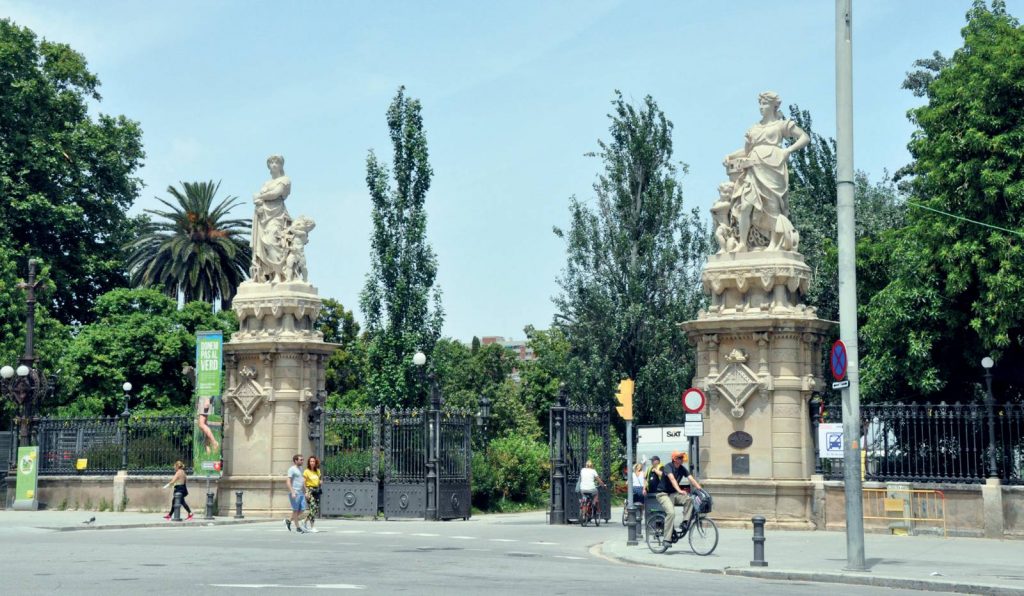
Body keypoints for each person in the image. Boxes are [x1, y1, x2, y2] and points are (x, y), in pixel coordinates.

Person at [723, 91, 809, 252]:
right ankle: (742, 243)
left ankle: (773, 244)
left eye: (765, 104)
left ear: (774, 105)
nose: (761, 107)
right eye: (760, 104)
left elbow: (804, 138)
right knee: (745, 205)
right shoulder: (754, 128)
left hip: (773, 166)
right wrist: (730, 156)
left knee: (772, 207)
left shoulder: (781, 124)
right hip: (753, 167)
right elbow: (746, 150)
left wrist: (788, 150)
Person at [251, 154, 293, 283]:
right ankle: (265, 274)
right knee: (262, 244)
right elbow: (259, 197)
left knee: (271, 240)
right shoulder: (267, 183)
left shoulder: (285, 180)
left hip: (277, 213)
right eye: (272, 162)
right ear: (268, 165)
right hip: (263, 214)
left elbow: (275, 193)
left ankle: (279, 274)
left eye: (277, 162)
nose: (274, 164)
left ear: (281, 165)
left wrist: (260, 196)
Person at [655, 450, 703, 542]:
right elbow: (672, 479)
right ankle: (666, 539)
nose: (682, 459)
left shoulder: (682, 468)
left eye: (682, 458)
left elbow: (691, 479)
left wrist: (701, 490)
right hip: (663, 494)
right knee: (671, 513)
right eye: (680, 458)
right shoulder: (668, 467)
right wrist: (679, 490)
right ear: (674, 459)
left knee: (690, 499)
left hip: (673, 494)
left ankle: (685, 522)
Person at [285, 454, 307, 533]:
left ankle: (289, 520)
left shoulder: (301, 468)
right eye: (300, 460)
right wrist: (292, 492)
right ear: (295, 461)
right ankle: (298, 527)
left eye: (302, 459)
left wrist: (305, 491)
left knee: (303, 509)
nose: (302, 461)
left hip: (301, 492)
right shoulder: (291, 469)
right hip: (295, 493)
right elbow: (288, 482)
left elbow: (302, 481)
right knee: (295, 510)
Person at [303, 455, 323, 532]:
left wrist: (321, 482)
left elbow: (320, 480)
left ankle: (304, 521)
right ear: (309, 462)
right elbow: (304, 483)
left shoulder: (318, 471)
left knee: (315, 510)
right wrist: (306, 492)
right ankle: (312, 527)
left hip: (316, 490)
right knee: (313, 508)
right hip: (310, 490)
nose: (312, 463)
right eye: (310, 461)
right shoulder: (306, 471)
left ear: (315, 462)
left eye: (313, 461)